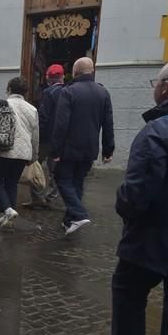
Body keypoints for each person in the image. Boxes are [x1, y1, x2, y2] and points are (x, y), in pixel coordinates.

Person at [86, 58, 168, 335]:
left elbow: (137, 193)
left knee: (128, 292)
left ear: (166, 88)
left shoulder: (159, 130)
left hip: (150, 236)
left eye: (155, 83)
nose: (155, 88)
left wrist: (124, 207)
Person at [51, 57, 114, 235]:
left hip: (70, 148)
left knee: (62, 179)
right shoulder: (103, 92)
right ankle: (69, 220)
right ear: (92, 71)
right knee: (77, 182)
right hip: (90, 148)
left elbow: (61, 124)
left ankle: (78, 214)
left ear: (75, 71)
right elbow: (108, 123)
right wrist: (108, 150)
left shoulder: (69, 92)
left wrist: (55, 150)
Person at [0, 77, 39, 228]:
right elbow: (35, 136)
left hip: (3, 150)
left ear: (9, 89)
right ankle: (8, 217)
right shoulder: (32, 109)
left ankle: (7, 210)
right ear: (25, 92)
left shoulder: (2, 104)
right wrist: (34, 156)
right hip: (23, 153)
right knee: (11, 183)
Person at [23, 64, 64, 209]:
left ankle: (38, 197)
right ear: (62, 77)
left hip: (46, 139)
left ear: (48, 77)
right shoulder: (68, 92)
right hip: (60, 139)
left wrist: (36, 135)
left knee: (35, 165)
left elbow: (44, 117)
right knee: (55, 170)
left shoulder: (48, 93)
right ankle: (51, 197)